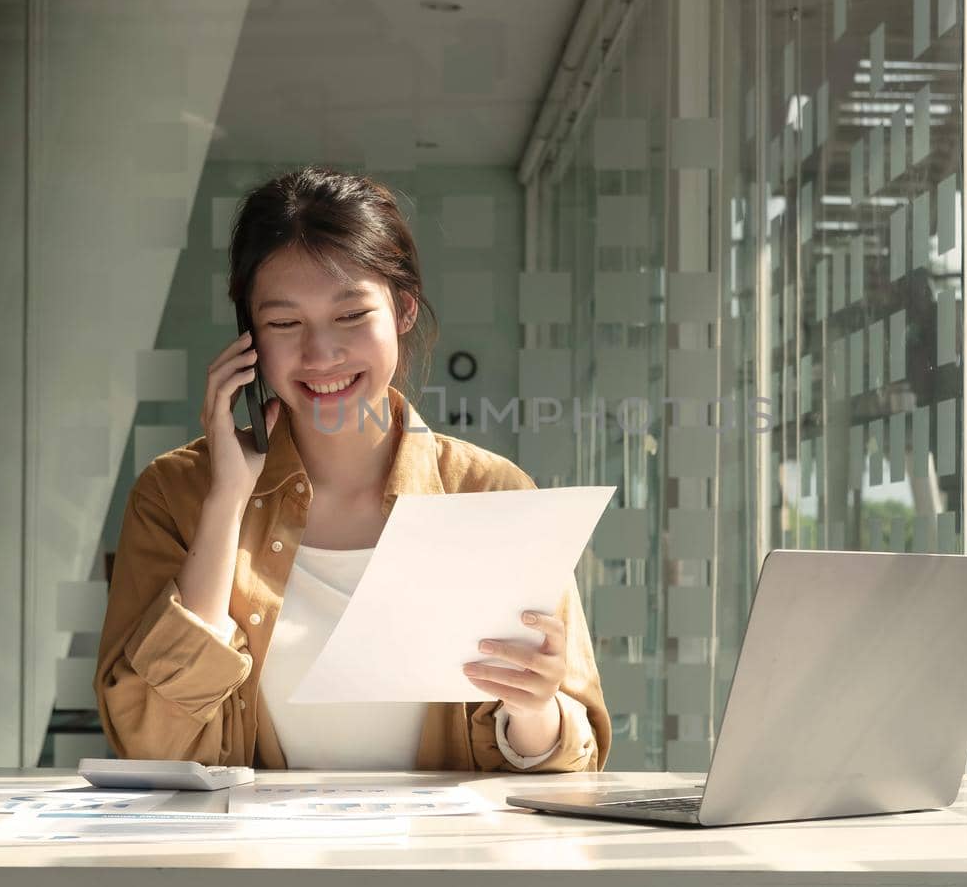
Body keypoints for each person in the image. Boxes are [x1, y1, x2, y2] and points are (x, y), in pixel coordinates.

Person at [94, 166, 609, 772]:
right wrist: (227, 501)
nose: (321, 354)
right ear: (250, 339)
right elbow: (151, 749)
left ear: (404, 310)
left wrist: (535, 708)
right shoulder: (175, 495)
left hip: (443, 865)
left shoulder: (490, 493)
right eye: (284, 323)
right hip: (249, 866)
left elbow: (573, 766)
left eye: (351, 315)